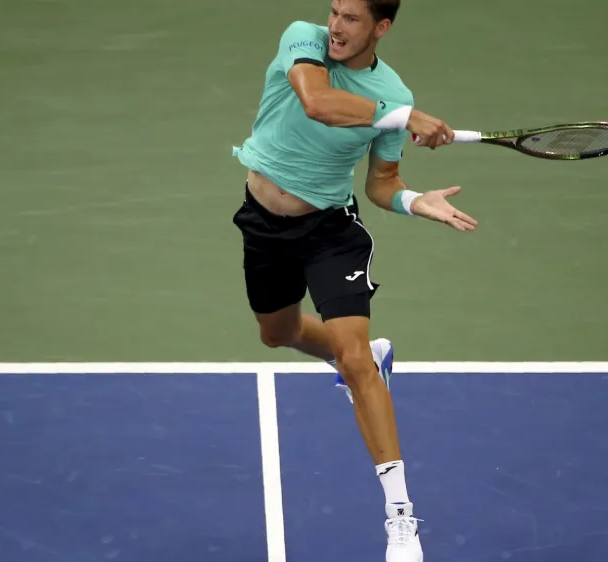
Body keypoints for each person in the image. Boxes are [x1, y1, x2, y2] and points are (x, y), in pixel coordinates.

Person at [230, 1, 478, 560]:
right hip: (264, 225)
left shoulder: (394, 89)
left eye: (353, 18)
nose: (337, 27)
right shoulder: (304, 40)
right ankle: (367, 356)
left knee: (353, 358)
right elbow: (318, 103)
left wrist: (416, 201)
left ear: (381, 27)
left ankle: (401, 520)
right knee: (279, 333)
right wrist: (402, 117)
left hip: (330, 230)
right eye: (335, 11)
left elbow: (382, 183)